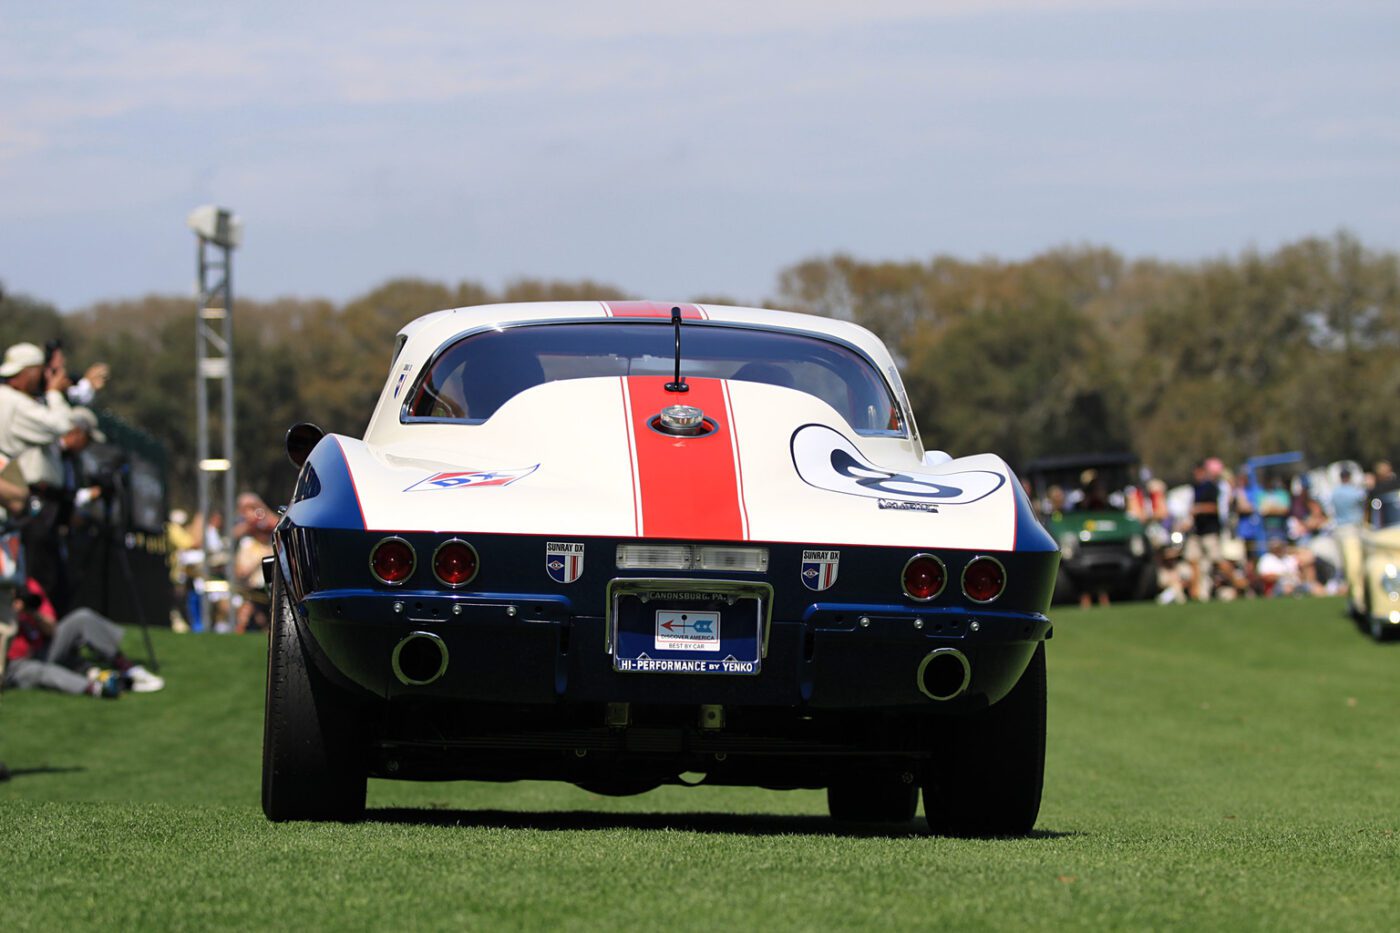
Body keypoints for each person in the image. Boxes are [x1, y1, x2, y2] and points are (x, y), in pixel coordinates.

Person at [4, 577, 163, 695]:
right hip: (14, 663)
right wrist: (9, 613)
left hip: (43, 650)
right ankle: (99, 687)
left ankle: (126, 667)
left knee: (82, 617)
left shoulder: (28, 585)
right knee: (42, 671)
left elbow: (51, 629)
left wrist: (32, 612)